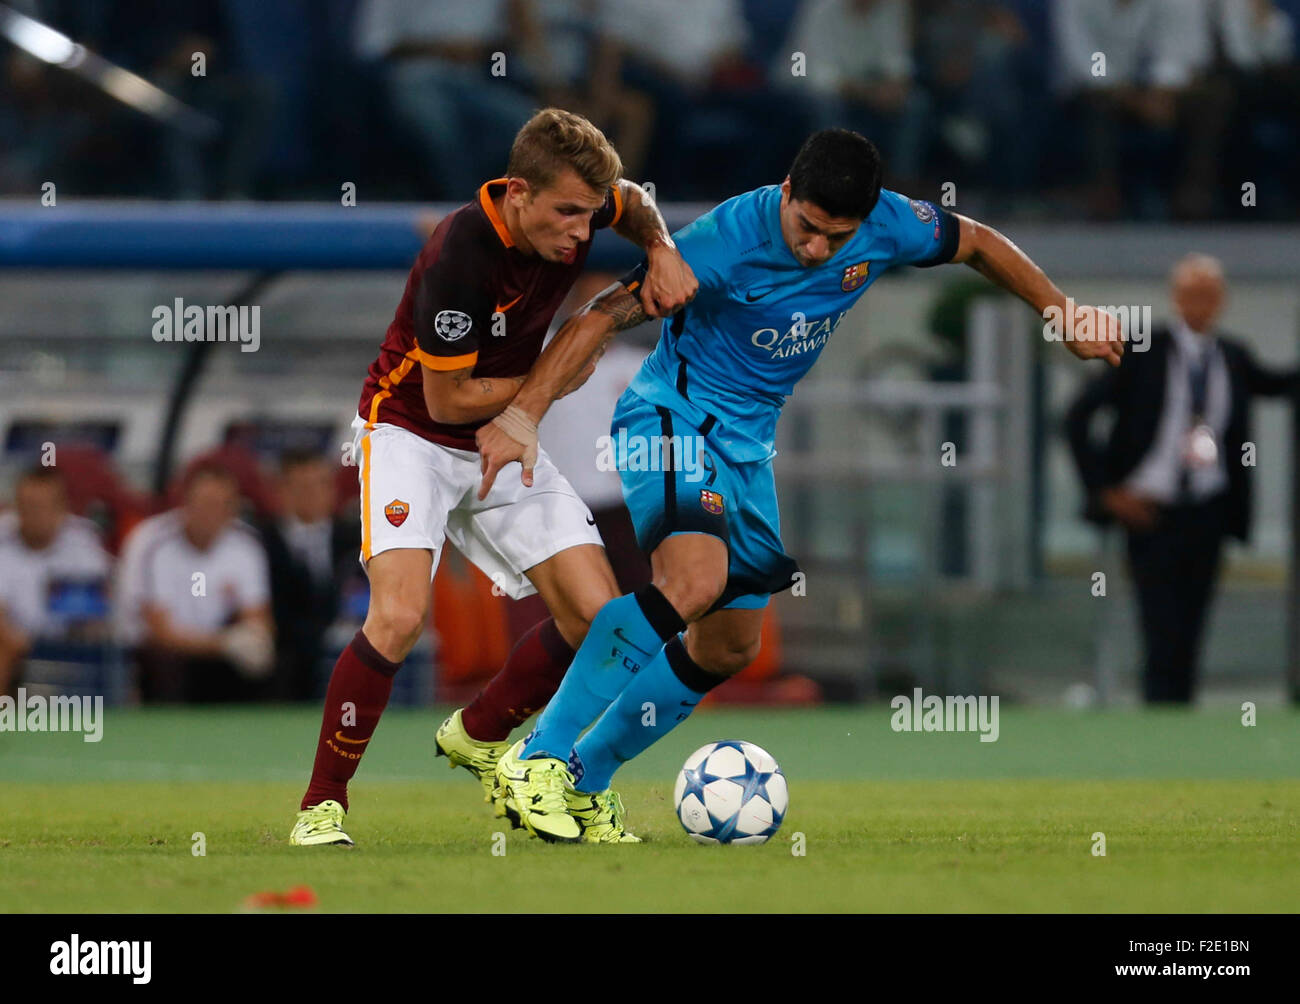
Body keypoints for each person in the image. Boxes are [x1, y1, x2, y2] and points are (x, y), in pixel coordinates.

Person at [476, 128, 1124, 838]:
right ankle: (538, 758)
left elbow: (975, 241)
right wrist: (523, 414)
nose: (816, 248)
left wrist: (1060, 310)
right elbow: (600, 316)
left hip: (747, 446)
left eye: (834, 237)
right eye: (806, 227)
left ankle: (584, 781)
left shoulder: (890, 226)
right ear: (786, 193)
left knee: (728, 648)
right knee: (691, 583)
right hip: (672, 417)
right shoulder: (726, 240)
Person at [289, 108, 696, 848]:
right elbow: (449, 400)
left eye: (587, 216)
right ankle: (323, 804)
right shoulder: (461, 255)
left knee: (598, 619)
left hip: (505, 434)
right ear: (517, 193)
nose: (581, 232)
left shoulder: (587, 202)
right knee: (400, 617)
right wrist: (560, 370)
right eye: (567, 215)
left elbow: (630, 202)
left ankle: (478, 733)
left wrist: (661, 247)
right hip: (411, 432)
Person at [1066, 254, 1299, 703]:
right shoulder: (1142, 350)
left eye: (1209, 296)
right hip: (1150, 508)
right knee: (1159, 623)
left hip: (1208, 508)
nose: (1200, 305)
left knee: (1194, 620)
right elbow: (1078, 417)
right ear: (1175, 298)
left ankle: (1184, 711)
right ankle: (1159, 713)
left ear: (1222, 301)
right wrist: (1106, 491)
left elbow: (1277, 383)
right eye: (1192, 295)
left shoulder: (1233, 356)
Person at [115, 462, 275, 703]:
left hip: (219, 656)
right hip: (161, 656)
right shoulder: (151, 542)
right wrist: (225, 644)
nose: (211, 513)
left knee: (264, 661)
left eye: (222, 505)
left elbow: (258, 614)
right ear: (185, 503)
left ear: (233, 509)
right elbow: (159, 631)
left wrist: (255, 637)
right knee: (168, 665)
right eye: (205, 504)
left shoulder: (246, 545)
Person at [258, 448, 361, 701]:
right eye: (301, 488)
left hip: (346, 649)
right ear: (282, 492)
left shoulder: (356, 539)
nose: (312, 496)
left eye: (320, 485)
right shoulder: (260, 543)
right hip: (286, 658)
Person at [0, 466, 112, 698]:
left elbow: (97, 606)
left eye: (41, 507)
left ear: (61, 508)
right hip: (14, 645)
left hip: (70, 644)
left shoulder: (84, 542)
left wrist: (76, 638)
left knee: (109, 650)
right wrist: (22, 644)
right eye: (26, 505)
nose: (32, 514)